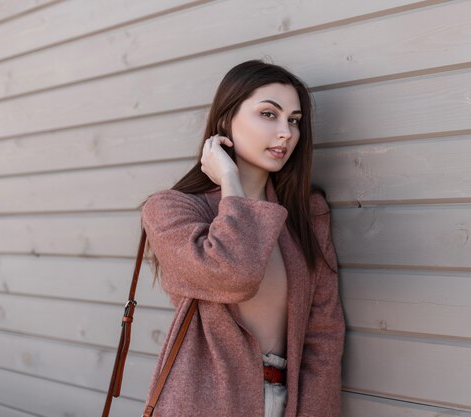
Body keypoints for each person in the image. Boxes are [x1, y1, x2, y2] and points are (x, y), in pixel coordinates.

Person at [139, 59, 345, 417]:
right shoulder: (169, 209)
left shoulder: (307, 215)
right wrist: (231, 185)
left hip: (286, 401)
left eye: (294, 121)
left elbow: (324, 333)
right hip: (205, 404)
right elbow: (234, 274)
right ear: (225, 120)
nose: (286, 132)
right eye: (269, 114)